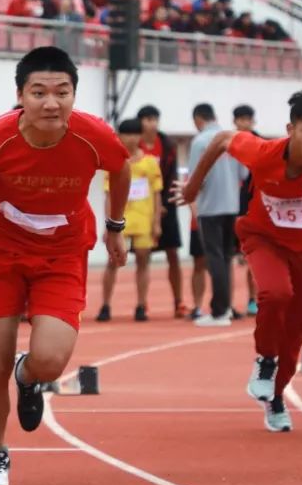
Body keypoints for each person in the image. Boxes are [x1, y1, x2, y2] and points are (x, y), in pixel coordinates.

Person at [0, 46, 129, 485]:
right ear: (21, 95)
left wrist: (115, 226)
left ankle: (28, 377)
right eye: (40, 92)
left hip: (62, 255)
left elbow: (120, 169)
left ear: (73, 95)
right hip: (1, 253)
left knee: (50, 360)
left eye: (62, 92)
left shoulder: (92, 135)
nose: (52, 102)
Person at [177, 91, 302, 433]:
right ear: (291, 128)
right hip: (263, 238)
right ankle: (265, 361)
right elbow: (222, 140)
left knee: (295, 331)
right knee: (274, 293)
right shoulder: (264, 152)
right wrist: (193, 186)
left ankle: (276, 397)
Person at [188, 103, 247, 327]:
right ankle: (226, 308)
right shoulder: (232, 139)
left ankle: (220, 311)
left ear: (198, 119)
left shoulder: (201, 141)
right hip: (231, 205)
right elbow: (243, 173)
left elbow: (195, 179)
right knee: (225, 257)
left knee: (215, 259)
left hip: (210, 207)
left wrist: (191, 200)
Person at [96, 118, 161, 322]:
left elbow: (157, 194)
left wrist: (156, 222)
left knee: (143, 259)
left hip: (143, 218)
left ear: (140, 136)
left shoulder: (150, 163)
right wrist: (108, 224)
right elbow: (108, 195)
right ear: (120, 136)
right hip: (119, 219)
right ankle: (105, 305)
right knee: (112, 261)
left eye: (135, 134)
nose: (131, 138)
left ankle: (141, 305)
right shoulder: (113, 163)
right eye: (127, 134)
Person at [137, 105, 185, 317]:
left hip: (166, 207)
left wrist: (164, 203)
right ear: (141, 122)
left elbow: (172, 176)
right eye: (147, 119)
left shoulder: (167, 145)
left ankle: (178, 301)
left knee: (172, 254)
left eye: (155, 119)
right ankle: (142, 302)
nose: (152, 123)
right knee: (143, 256)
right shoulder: (134, 145)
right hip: (141, 209)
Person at [232, 104, 258, 316]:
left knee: (253, 257)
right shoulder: (226, 143)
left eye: (247, 119)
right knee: (228, 257)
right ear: (235, 122)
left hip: (252, 206)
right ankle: (227, 303)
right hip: (228, 206)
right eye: (240, 119)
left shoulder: (261, 144)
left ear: (252, 122)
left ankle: (253, 299)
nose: (243, 123)